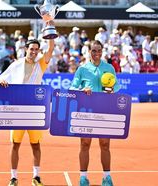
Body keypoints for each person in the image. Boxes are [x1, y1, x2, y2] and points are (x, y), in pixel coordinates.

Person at [0, 21, 55, 186]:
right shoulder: (16, 65)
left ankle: (36, 177)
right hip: (18, 110)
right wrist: (2, 83)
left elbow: (50, 48)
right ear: (26, 49)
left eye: (36, 50)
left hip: (35, 111)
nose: (34, 52)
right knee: (15, 144)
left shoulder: (40, 64)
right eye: (32, 49)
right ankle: (13, 177)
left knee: (36, 145)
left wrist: (50, 24)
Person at [69, 40, 120, 186]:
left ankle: (107, 177)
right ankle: (83, 178)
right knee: (85, 144)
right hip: (86, 111)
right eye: (93, 51)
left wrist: (112, 90)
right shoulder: (82, 69)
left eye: (99, 51)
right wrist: (82, 90)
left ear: (102, 52)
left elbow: (116, 85)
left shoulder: (109, 68)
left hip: (105, 110)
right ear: (89, 51)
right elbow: (73, 88)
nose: (96, 54)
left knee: (105, 144)